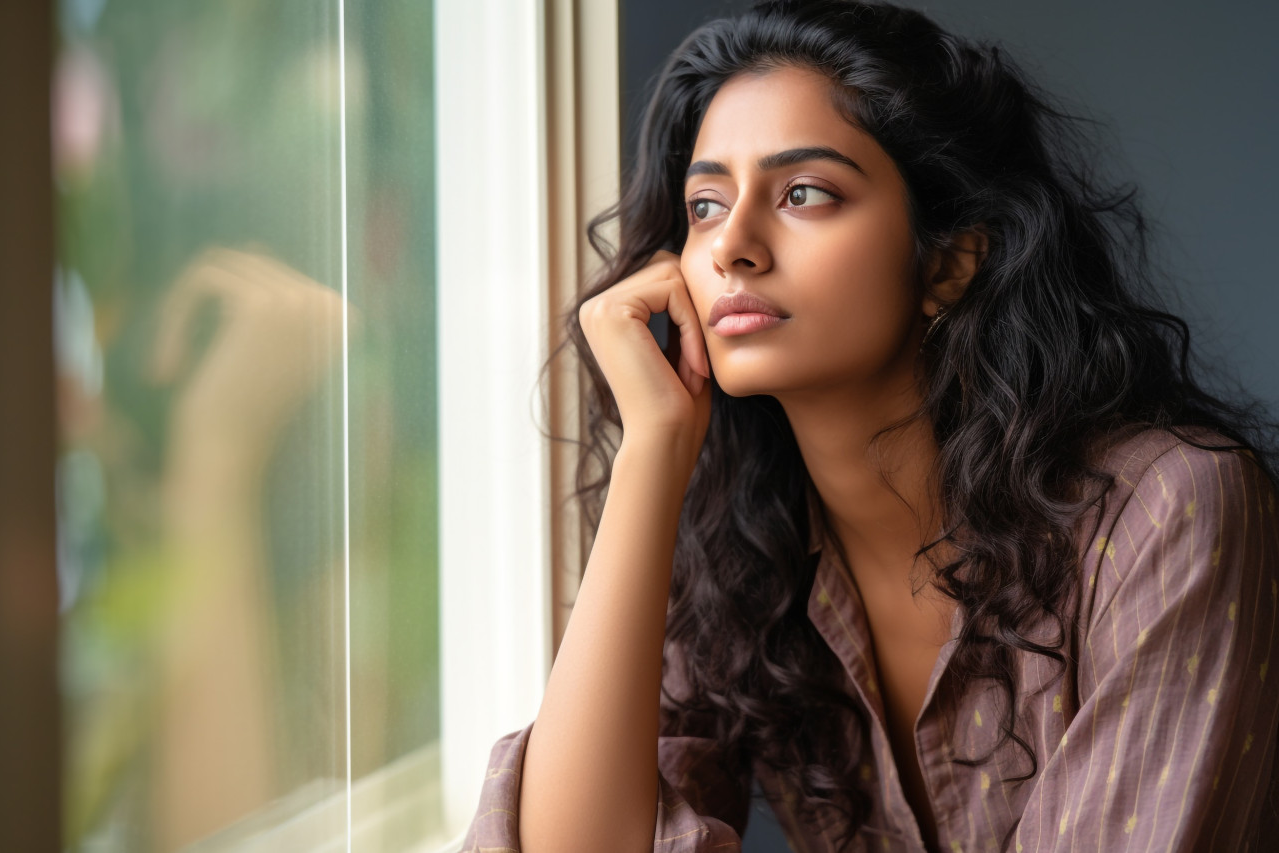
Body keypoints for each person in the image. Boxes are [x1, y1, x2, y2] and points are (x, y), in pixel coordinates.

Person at [463, 1, 1279, 850]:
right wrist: (652, 451)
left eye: (803, 193)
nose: (731, 246)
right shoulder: (735, 540)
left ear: (950, 260)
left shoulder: (1168, 509)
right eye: (704, 205)